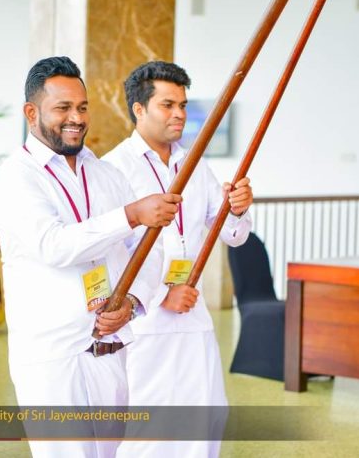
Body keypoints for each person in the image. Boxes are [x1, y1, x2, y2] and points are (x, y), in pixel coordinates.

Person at [0, 56, 182, 458]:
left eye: (82, 107)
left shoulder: (106, 174)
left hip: (109, 350)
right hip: (53, 358)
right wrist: (130, 215)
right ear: (31, 113)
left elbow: (149, 247)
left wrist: (132, 301)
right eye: (63, 108)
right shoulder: (14, 179)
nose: (76, 118)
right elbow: (53, 245)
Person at [103, 61, 253, 458]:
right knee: (151, 431)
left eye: (183, 105)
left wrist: (237, 208)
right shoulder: (114, 168)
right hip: (144, 324)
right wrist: (160, 296)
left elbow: (232, 234)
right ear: (139, 109)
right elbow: (108, 254)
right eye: (167, 105)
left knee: (206, 419)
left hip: (193, 317)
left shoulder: (194, 163)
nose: (179, 114)